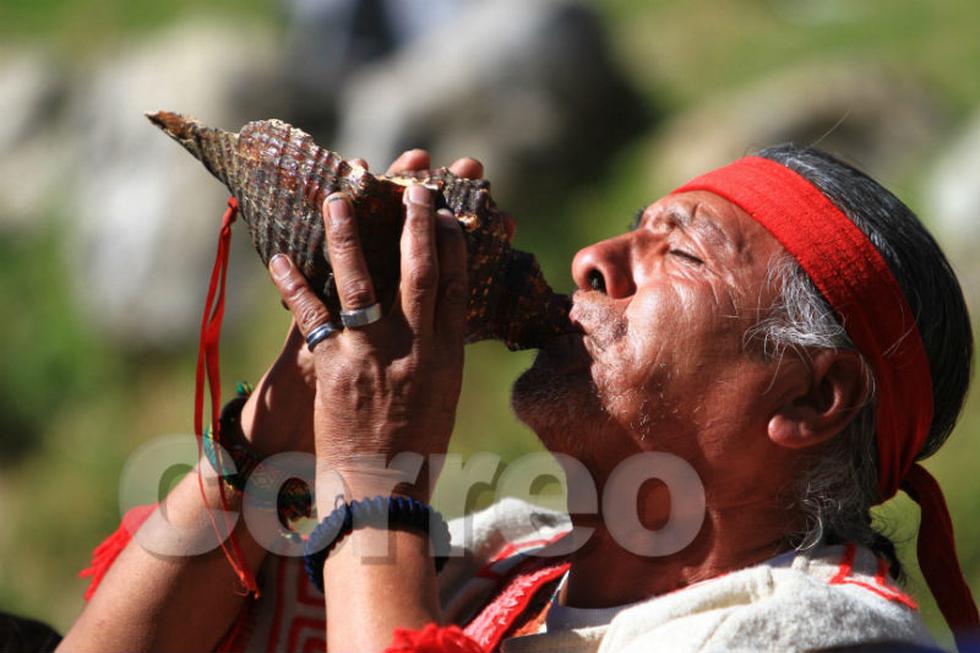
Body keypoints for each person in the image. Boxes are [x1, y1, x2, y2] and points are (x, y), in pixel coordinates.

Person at [57, 146, 979, 653]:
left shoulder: (829, 640)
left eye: (682, 252)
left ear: (816, 396)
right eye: (629, 230)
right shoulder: (498, 566)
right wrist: (273, 431)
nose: (593, 261)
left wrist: (372, 488)